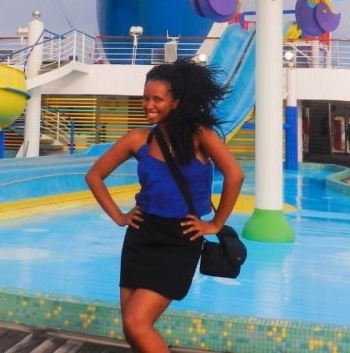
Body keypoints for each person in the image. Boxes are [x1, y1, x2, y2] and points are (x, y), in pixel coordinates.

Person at [85, 60, 244, 352]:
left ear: (176, 102)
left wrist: (215, 224)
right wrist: (119, 216)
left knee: (137, 323)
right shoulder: (138, 139)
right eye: (145, 98)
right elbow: (94, 176)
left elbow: (235, 175)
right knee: (132, 328)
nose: (148, 105)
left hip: (180, 238)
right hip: (141, 235)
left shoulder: (200, 136)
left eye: (157, 99)